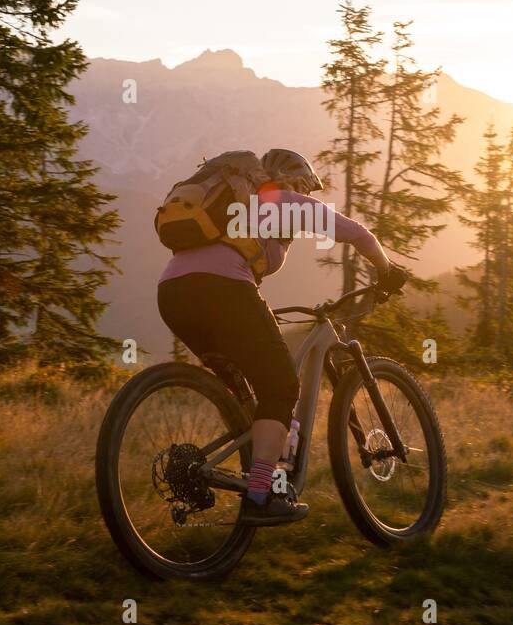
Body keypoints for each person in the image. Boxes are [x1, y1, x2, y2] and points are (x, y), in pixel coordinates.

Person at [157, 148, 406, 527]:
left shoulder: (236, 208)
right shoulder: (279, 200)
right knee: (281, 389)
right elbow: (356, 233)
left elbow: (228, 264)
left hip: (173, 294)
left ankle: (205, 471)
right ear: (292, 183)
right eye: (306, 188)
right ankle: (261, 495)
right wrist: (388, 270)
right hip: (223, 291)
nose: (307, 196)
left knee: (245, 395)